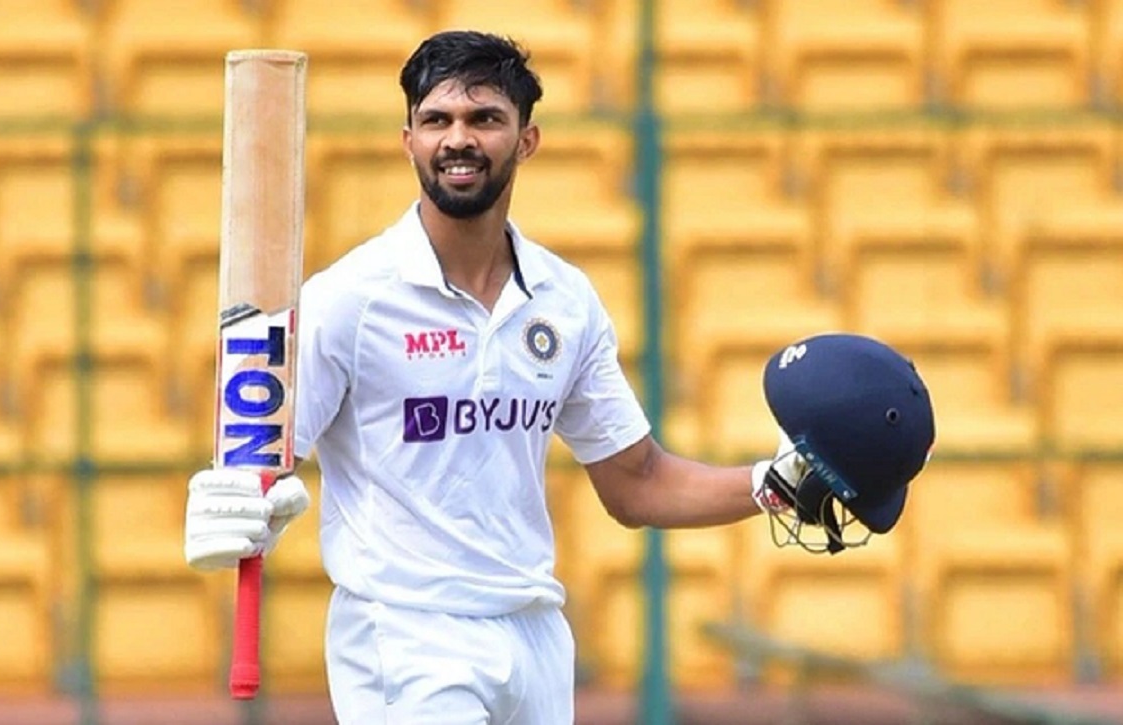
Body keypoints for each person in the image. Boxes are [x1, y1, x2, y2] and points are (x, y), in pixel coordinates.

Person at [181, 30, 874, 725]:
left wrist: (775, 484)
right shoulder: (350, 300)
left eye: (484, 119)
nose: (458, 139)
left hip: (534, 632)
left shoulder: (563, 300)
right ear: (408, 140)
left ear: (527, 139)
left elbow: (637, 482)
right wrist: (237, 504)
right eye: (437, 121)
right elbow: (256, 468)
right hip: (405, 632)